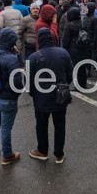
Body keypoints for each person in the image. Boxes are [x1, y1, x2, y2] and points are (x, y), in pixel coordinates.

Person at [28, 28, 72, 163]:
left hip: (41, 97)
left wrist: (33, 93)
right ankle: (59, 154)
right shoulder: (63, 53)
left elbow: (29, 81)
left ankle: (42, 151)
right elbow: (69, 74)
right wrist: (64, 85)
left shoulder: (34, 57)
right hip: (60, 94)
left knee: (41, 125)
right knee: (60, 125)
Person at [0, 28, 25, 165]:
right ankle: (7, 155)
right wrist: (17, 92)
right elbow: (17, 82)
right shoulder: (11, 59)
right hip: (8, 97)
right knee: (6, 127)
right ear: (12, 42)